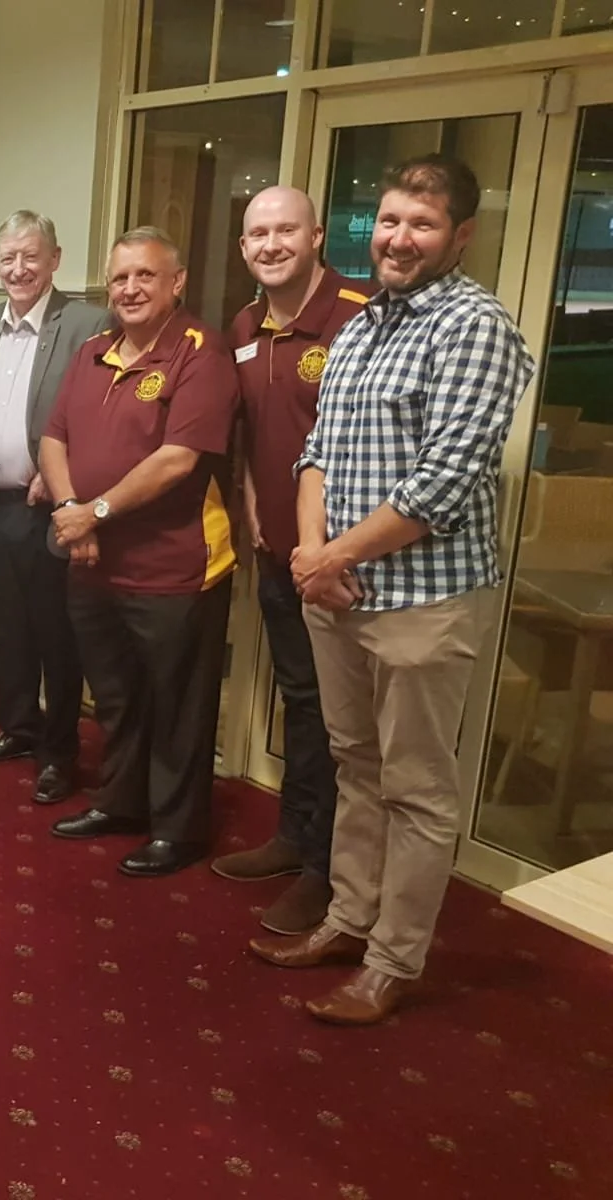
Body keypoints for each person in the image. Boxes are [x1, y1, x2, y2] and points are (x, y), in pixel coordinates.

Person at [250, 155, 534, 1025]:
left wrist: (330, 557)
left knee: (415, 789)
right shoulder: (364, 324)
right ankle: (348, 919)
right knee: (357, 768)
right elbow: (316, 455)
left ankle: (394, 959)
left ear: (462, 234)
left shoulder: (476, 326)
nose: (399, 238)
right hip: (336, 593)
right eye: (389, 220)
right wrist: (311, 554)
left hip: (422, 599)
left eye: (422, 224)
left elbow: (443, 482)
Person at [40, 227, 239, 878]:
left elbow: (178, 459)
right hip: (94, 563)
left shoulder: (201, 353)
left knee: (178, 704)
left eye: (145, 276)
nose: (130, 288)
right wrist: (74, 513)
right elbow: (54, 438)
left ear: (176, 282)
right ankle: (120, 802)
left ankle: (179, 829)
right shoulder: (93, 351)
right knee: (117, 695)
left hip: (174, 567)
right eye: (120, 277)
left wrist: (93, 512)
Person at [213, 188, 368, 934]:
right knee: (301, 702)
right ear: (244, 247)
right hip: (278, 551)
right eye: (257, 234)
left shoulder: (360, 316)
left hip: (346, 563)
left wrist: (335, 548)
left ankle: (328, 873)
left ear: (316, 236)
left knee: (344, 723)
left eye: (285, 231)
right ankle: (297, 837)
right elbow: (248, 432)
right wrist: (247, 498)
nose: (271, 245)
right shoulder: (245, 326)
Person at [0, 211, 107, 804]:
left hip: (46, 511)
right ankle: (18, 727)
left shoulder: (88, 324)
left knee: (55, 637)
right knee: (5, 629)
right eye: (8, 258)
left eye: (31, 256)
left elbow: (100, 416)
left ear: (55, 260)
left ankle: (59, 753)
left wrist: (59, 471)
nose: (19, 269)